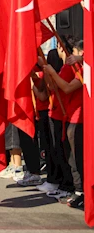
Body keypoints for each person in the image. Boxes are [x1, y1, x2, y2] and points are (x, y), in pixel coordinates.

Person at [41, 39, 85, 209]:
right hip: (69, 116)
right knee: (69, 156)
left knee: (76, 158)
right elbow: (54, 87)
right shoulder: (70, 67)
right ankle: (76, 190)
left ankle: (80, 191)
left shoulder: (82, 69)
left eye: (75, 52)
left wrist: (52, 72)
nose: (71, 56)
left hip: (78, 118)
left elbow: (67, 88)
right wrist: (49, 73)